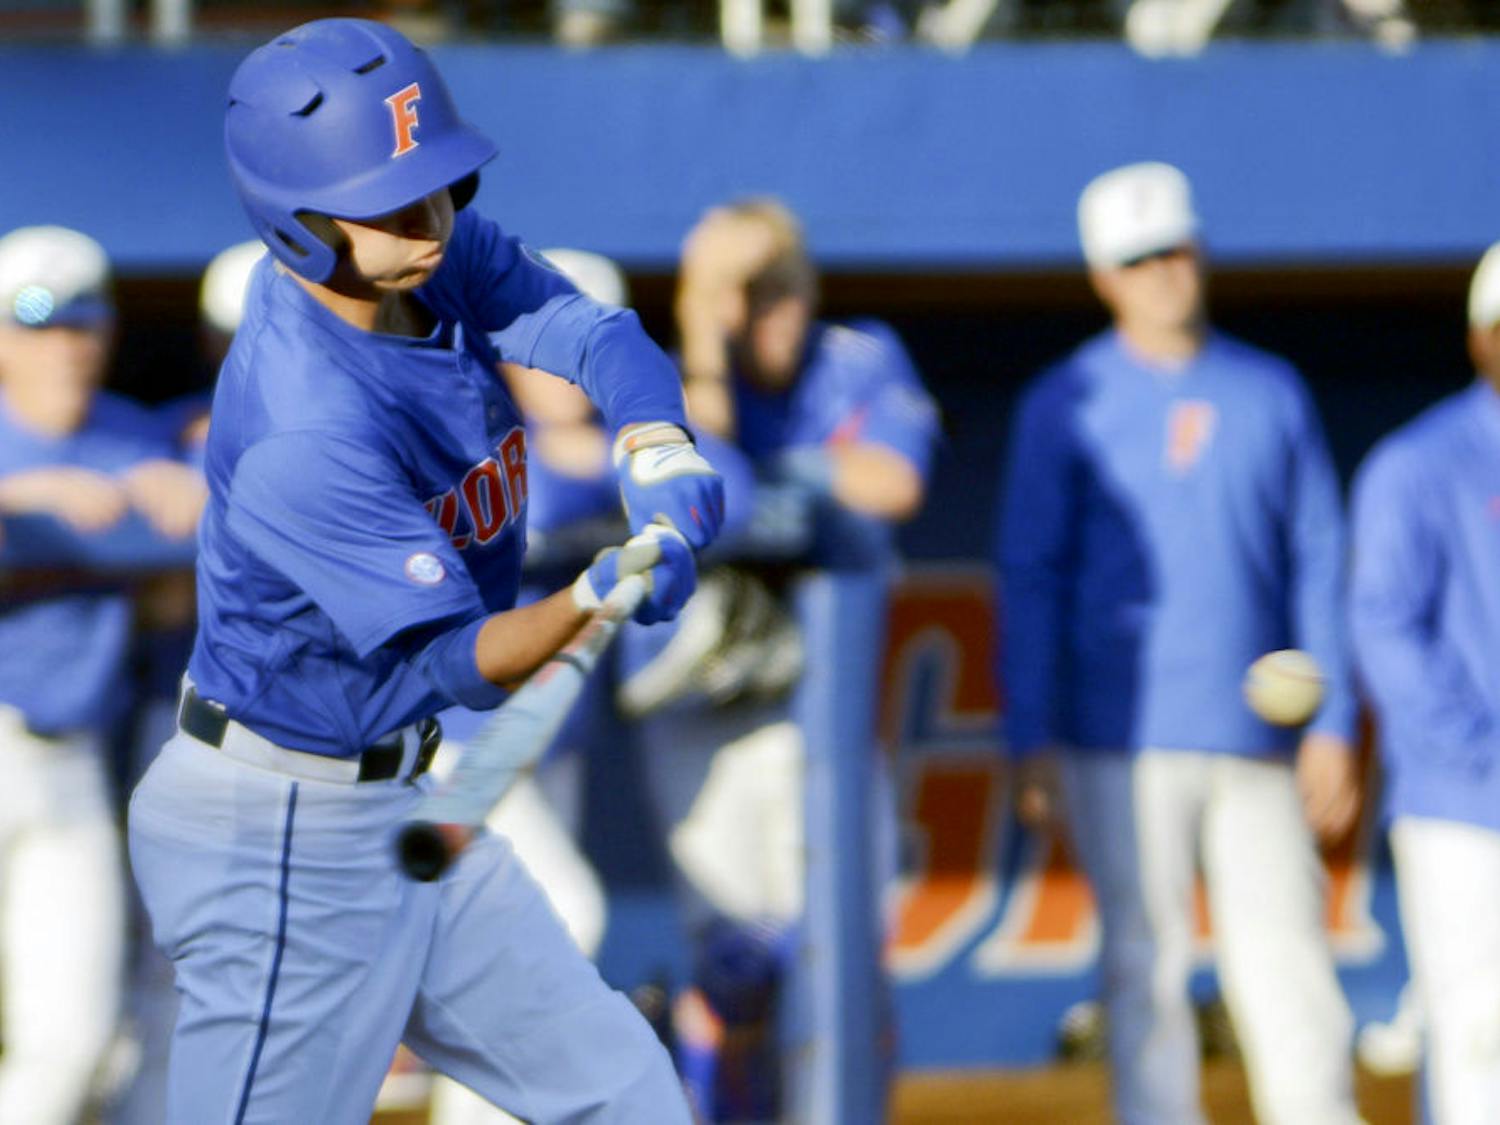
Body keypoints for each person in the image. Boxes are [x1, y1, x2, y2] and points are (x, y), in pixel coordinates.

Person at [125, 19, 723, 1125]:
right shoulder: (305, 424)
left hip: (400, 797)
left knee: (628, 1094)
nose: (433, 219)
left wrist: (657, 442)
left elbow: (590, 333)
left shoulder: (419, 258)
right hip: (276, 830)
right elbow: (459, 661)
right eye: (394, 201)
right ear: (297, 227)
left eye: (443, 183)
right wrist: (596, 595)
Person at [996, 161, 1362, 1125]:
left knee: (1285, 951)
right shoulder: (1064, 401)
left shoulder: (1269, 390)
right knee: (1141, 958)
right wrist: (1029, 733)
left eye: (1177, 248)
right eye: (1140, 257)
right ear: (1104, 277)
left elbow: (1320, 558)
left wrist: (1332, 720)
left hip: (1258, 730)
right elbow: (1030, 575)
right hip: (1116, 733)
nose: (1165, 271)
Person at [630, 196, 938, 1120]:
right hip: (700, 698)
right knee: (734, 967)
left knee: (842, 952)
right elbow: (705, 472)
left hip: (819, 702)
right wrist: (700, 323)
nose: (770, 311)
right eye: (744, 292)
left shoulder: (860, 356)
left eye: (782, 288)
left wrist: (784, 473)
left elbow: (893, 482)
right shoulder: (668, 369)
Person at [0, 224, 204, 1124]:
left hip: (68, 754)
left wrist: (200, 492)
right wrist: (20, 501)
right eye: (38, 323)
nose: (67, 346)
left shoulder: (130, 438)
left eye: (85, 324)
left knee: (73, 1040)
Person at [1348, 240, 1500, 1125]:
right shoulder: (1420, 462)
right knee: (1478, 1031)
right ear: (1482, 339)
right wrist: (1484, 748)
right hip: (1465, 805)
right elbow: (1383, 628)